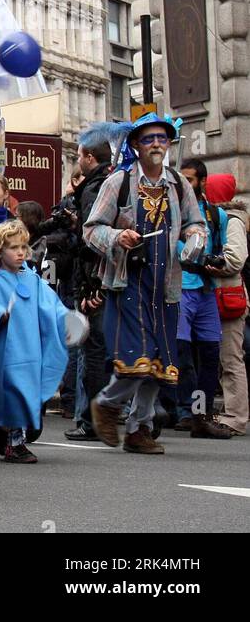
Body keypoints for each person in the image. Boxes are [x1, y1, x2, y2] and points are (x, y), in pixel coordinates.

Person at [85, 114, 206, 454]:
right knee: (136, 359)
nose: (156, 144)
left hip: (166, 285)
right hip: (129, 283)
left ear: (169, 144)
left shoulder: (178, 184)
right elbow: (91, 229)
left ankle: (139, 429)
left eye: (162, 139)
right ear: (136, 145)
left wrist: (196, 238)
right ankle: (106, 404)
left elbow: (196, 224)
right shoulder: (119, 182)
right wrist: (117, 235)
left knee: (161, 365)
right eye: (149, 139)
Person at [0, 221, 68, 464]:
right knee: (12, 392)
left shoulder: (32, 279)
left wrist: (68, 321)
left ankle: (6, 429)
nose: (20, 252)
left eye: (23, 247)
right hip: (3, 353)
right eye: (13, 248)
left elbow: (51, 305)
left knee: (28, 400)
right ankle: (14, 444)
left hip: (30, 349)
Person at [174, 160, 234, 439]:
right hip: (182, 286)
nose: (185, 184)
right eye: (181, 179)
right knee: (183, 354)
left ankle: (202, 414)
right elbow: (171, 245)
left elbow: (222, 247)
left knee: (210, 354)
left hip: (207, 290)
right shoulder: (173, 212)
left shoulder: (215, 214)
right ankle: (188, 411)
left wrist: (218, 262)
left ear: (203, 181)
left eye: (190, 179)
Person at [64, 124, 116, 441]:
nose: (78, 161)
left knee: (90, 351)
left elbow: (90, 243)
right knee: (97, 349)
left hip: (95, 282)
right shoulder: (111, 184)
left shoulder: (95, 190)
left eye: (80, 155)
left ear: (89, 157)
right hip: (107, 280)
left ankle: (90, 419)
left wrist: (89, 288)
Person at [204, 173, 248, 435]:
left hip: (228, 296)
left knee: (231, 359)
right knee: (219, 359)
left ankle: (236, 416)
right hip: (216, 296)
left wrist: (208, 265)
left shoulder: (231, 222)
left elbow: (235, 259)